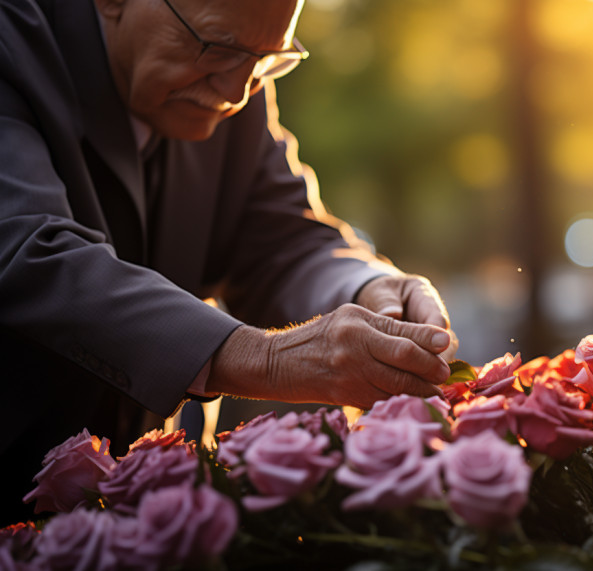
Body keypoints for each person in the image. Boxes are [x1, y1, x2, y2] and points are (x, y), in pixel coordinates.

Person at [0, 0, 457, 523]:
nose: (238, 94)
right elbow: (25, 249)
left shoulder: (236, 74)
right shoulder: (12, 41)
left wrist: (369, 289)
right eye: (216, 47)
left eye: (269, 59)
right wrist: (263, 358)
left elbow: (282, 239)